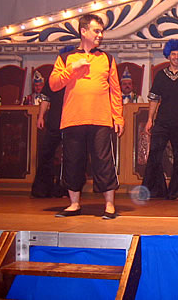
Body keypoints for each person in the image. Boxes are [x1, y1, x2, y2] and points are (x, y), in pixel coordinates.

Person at [50, 14, 124, 219]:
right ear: (83, 31)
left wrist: (118, 117)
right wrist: (71, 69)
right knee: (73, 161)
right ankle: (74, 204)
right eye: (96, 31)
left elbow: (115, 91)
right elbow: (53, 84)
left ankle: (109, 205)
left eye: (101, 31)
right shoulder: (66, 58)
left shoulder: (107, 58)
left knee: (104, 161)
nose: (100, 35)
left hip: (101, 119)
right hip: (73, 118)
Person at [142, 39, 178, 200]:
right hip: (162, 122)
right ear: (168, 56)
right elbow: (154, 99)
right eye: (173, 54)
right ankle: (154, 190)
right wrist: (150, 119)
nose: (176, 57)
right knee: (154, 154)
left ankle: (177, 192)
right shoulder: (160, 75)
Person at [31, 47, 75, 198]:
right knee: (46, 153)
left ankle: (66, 189)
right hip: (55, 121)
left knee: (70, 156)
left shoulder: (77, 75)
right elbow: (46, 97)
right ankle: (43, 188)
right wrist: (40, 117)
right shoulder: (54, 76)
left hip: (72, 121)